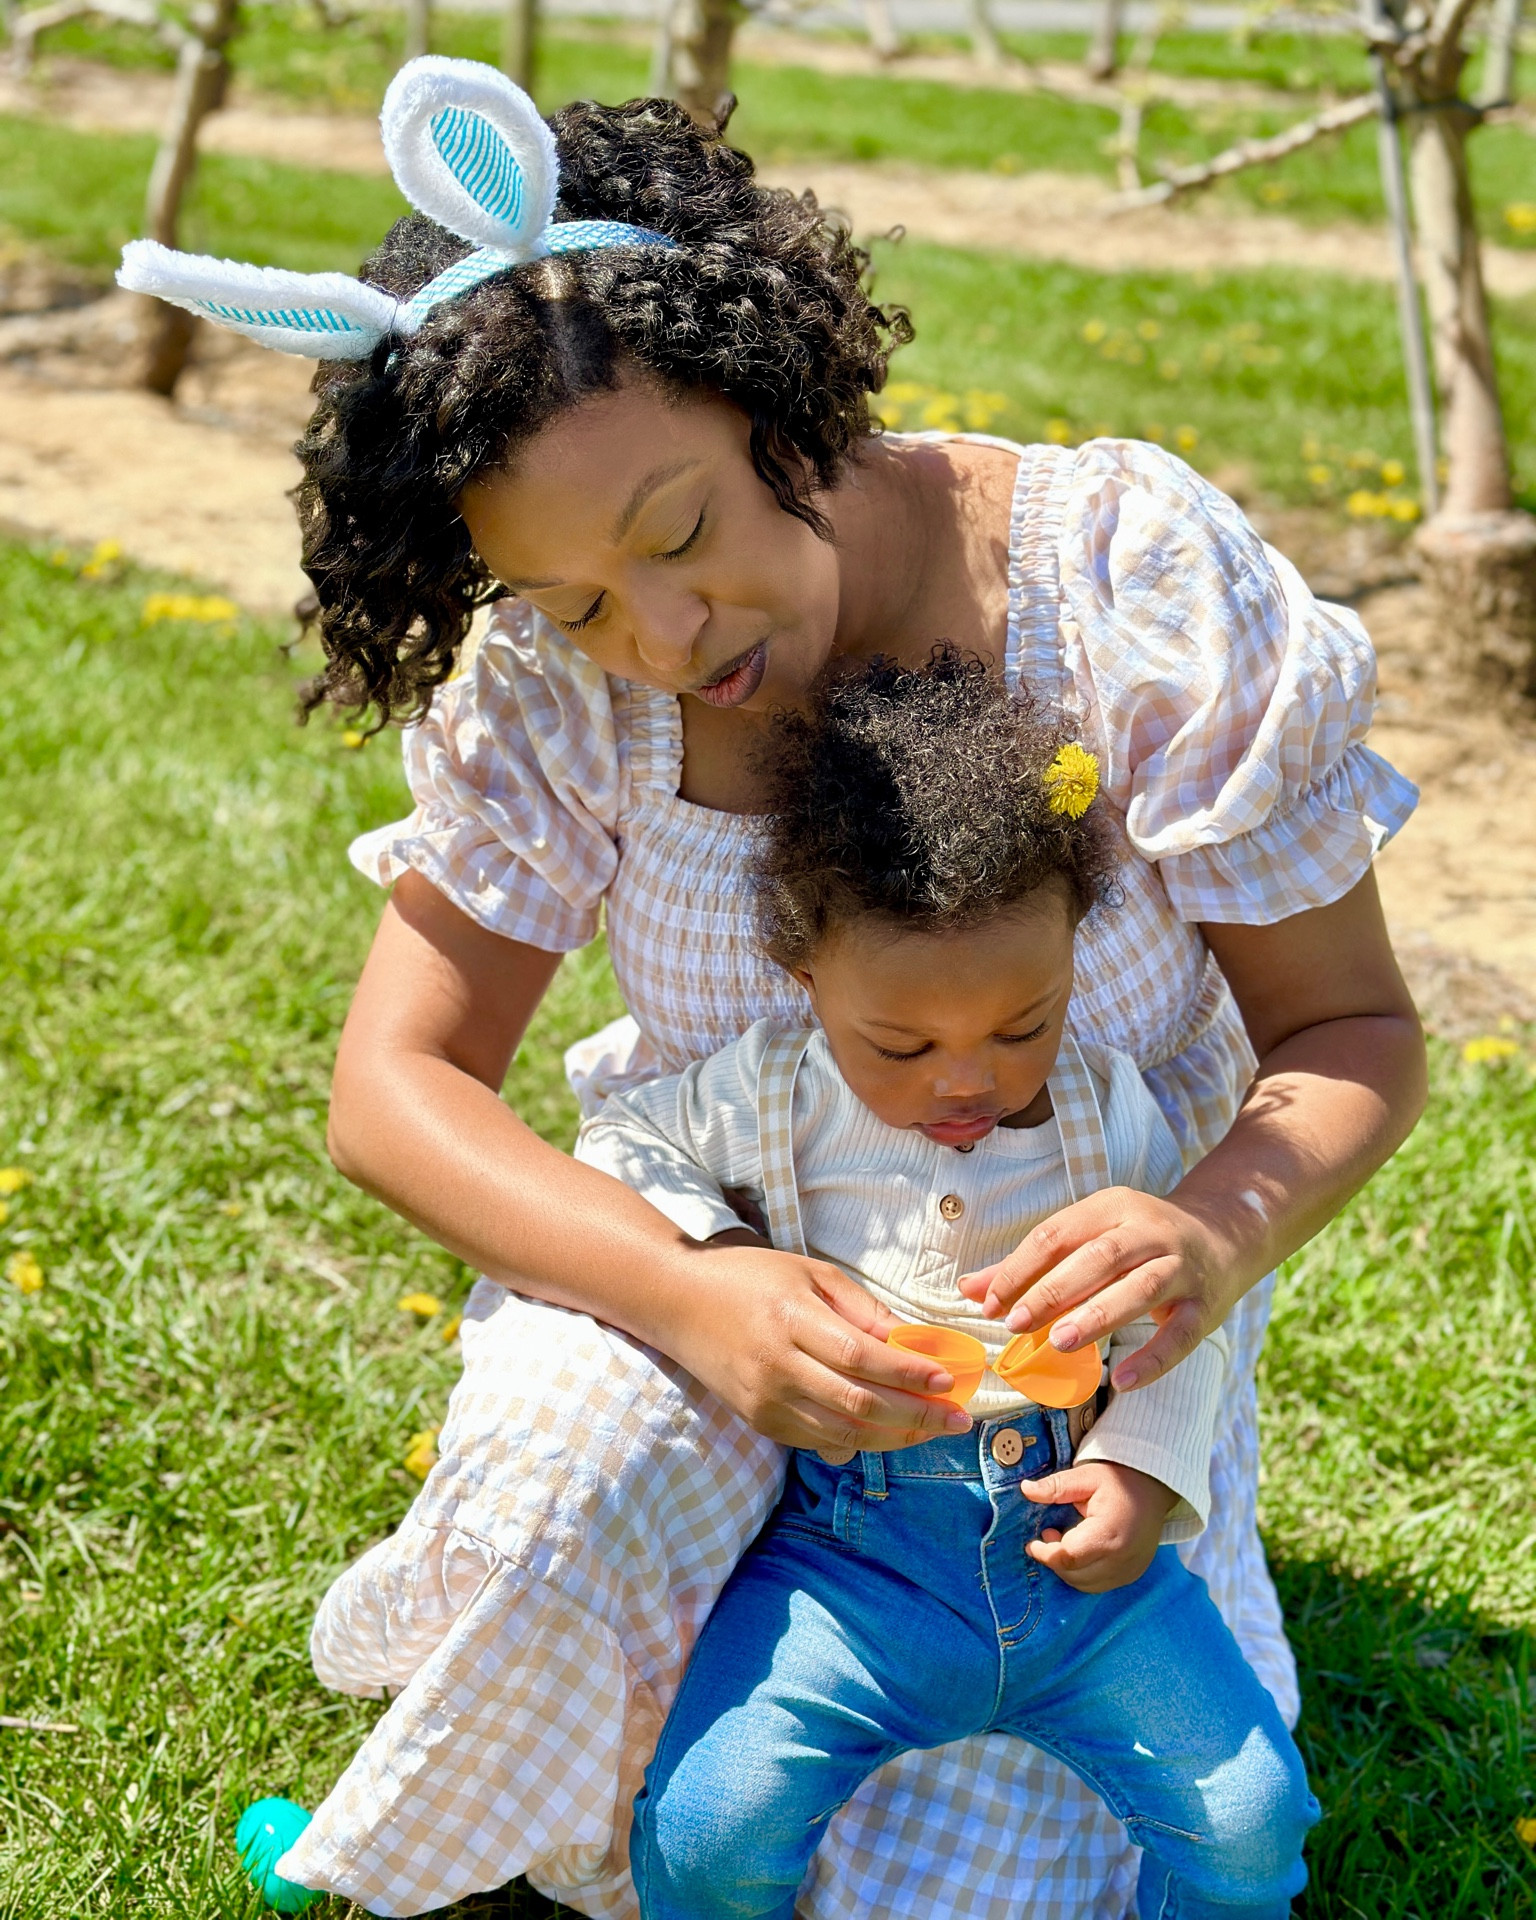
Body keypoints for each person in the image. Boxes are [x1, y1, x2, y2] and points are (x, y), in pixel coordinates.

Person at [126, 55, 1423, 1920]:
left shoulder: (1119, 583)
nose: (661, 639)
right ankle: (550, 1798)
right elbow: (393, 1085)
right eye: (572, 601)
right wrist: (692, 1291)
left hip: (1053, 1366)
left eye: (675, 533)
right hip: (700, 1293)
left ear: (780, 403)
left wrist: (1206, 1236)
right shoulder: (570, 698)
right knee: (579, 1483)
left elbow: (1352, 1031)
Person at [589, 647, 1321, 1920]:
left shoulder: (1105, 1111)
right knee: (711, 1825)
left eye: (1020, 1023)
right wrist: (720, 1270)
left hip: (1079, 1564)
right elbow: (624, 1143)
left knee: (1253, 1822)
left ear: (1071, 965)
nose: (966, 1081)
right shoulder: (769, 1093)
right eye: (903, 1043)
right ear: (808, 976)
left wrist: (1143, 1473)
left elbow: (1178, 1320)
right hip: (851, 1555)